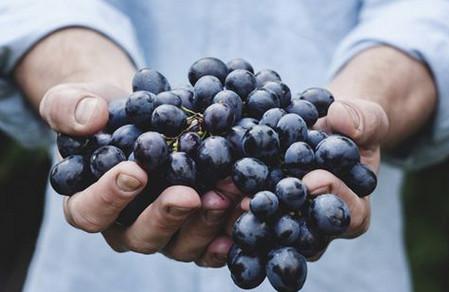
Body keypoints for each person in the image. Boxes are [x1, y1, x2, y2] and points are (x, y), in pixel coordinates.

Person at [1, 0, 449, 291]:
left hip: (340, 258)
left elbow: (427, 15)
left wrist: (367, 101)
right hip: (99, 269)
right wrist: (83, 81)